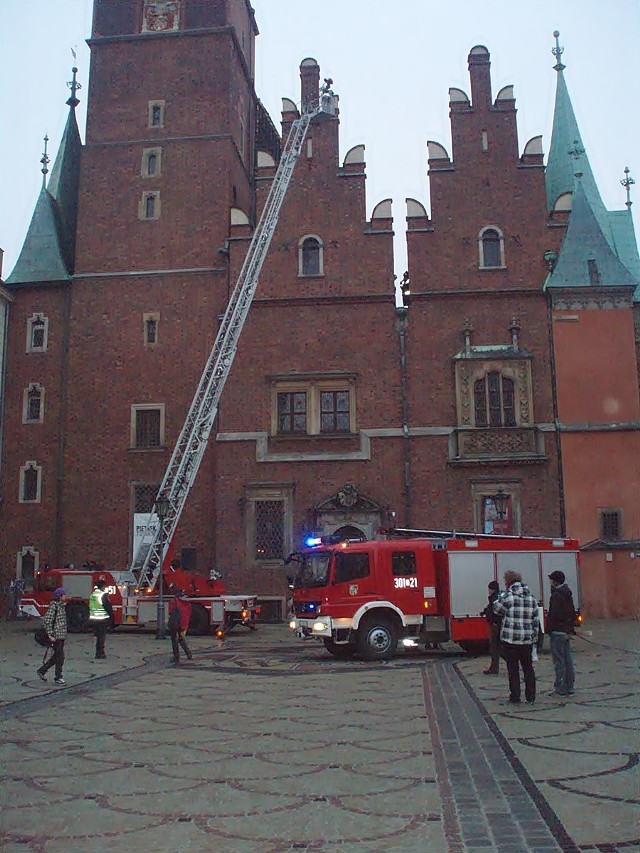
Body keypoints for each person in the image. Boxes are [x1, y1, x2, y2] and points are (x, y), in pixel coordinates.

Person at [493, 570, 539, 704]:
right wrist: (534, 638)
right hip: (527, 640)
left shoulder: (508, 596)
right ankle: (531, 696)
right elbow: (536, 621)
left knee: (513, 670)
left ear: (508, 582)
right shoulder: (532, 598)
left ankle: (515, 696)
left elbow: (496, 609)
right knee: (528, 668)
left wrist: (501, 595)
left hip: (511, 639)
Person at [547, 570, 577, 697]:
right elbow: (572, 612)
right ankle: (570, 686)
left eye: (551, 580)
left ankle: (560, 687)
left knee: (559, 661)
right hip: (566, 631)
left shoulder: (556, 595)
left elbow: (555, 614)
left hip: (557, 632)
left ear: (555, 581)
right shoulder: (567, 593)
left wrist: (550, 627)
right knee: (568, 660)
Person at [37, 587, 68, 685]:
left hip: (61, 636)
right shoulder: (54, 607)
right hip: (56, 637)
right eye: (63, 594)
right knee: (60, 657)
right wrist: (50, 635)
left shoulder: (61, 606)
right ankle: (58, 677)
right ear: (59, 596)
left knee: (57, 656)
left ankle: (42, 671)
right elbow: (47, 621)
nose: (65, 596)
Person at [88, 579, 114, 660]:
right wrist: (111, 621)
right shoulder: (102, 595)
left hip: (93, 619)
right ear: (102, 587)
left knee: (97, 636)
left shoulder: (93, 595)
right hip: (102, 620)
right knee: (101, 638)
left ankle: (97, 653)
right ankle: (100, 653)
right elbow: (108, 608)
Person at [481, 580, 502, 675]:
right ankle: (494, 667)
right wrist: (485, 611)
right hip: (495, 624)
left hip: (495, 625)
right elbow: (490, 608)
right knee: (496, 647)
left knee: (495, 647)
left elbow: (496, 611)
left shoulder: (495, 598)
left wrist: (495, 622)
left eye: (489, 589)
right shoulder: (495, 597)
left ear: (492, 589)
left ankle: (494, 668)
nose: (488, 591)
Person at [168, 590, 193, 664]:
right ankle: (188, 653)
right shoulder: (188, 604)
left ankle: (176, 657)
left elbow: (170, 611)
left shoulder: (174, 602)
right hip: (184, 624)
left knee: (174, 640)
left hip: (175, 623)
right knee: (181, 638)